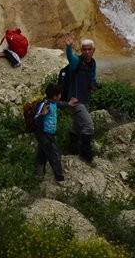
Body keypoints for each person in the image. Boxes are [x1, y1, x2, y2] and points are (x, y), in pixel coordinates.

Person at [62, 32, 100, 164]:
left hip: (86, 99)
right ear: (81, 50)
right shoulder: (76, 62)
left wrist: (94, 85)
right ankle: (86, 154)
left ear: (93, 50)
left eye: (90, 49)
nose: (87, 52)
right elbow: (70, 57)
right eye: (84, 49)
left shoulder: (93, 63)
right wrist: (69, 47)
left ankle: (72, 149)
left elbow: (93, 78)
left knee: (77, 126)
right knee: (88, 126)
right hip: (76, 101)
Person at [34, 82, 78, 183]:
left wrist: (68, 104)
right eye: (59, 94)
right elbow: (36, 119)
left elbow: (59, 104)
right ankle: (60, 179)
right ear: (55, 96)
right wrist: (42, 114)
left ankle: (39, 174)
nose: (61, 96)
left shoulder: (53, 102)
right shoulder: (44, 105)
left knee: (42, 153)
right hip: (44, 134)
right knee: (55, 154)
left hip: (47, 134)